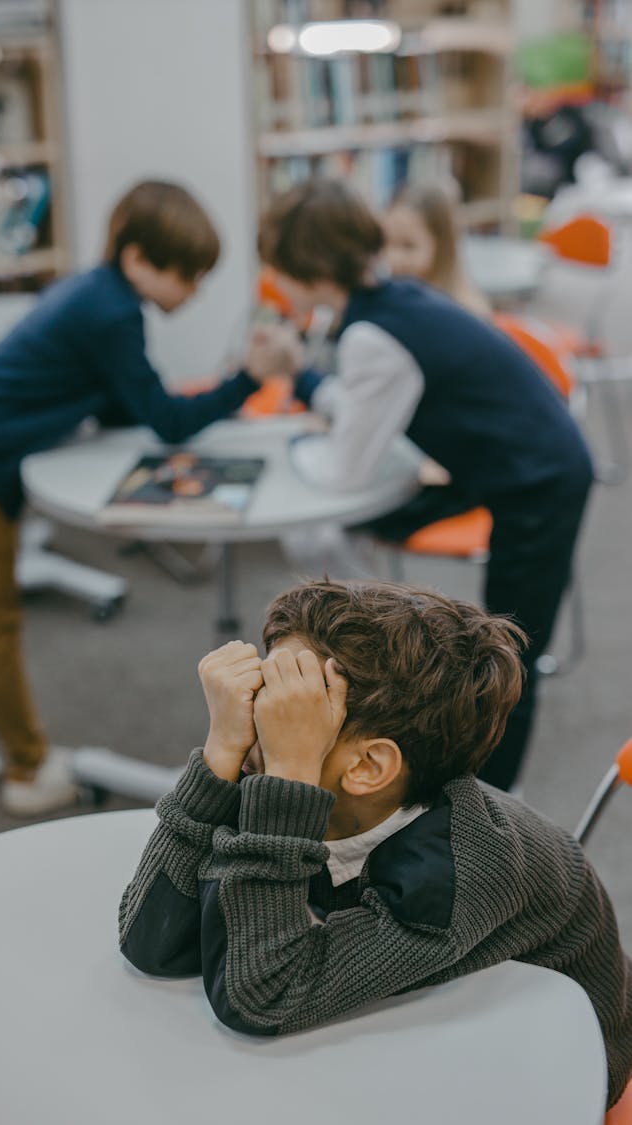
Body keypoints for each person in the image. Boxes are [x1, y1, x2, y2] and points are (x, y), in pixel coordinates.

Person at [118, 579, 632, 1110]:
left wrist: (288, 774)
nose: (257, 713)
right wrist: (222, 747)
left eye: (294, 707)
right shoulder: (295, 774)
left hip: (553, 1061)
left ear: (368, 766)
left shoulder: (454, 874)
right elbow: (152, 943)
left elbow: (261, 998)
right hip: (433, 1008)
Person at [0, 179, 288, 817]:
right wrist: (249, 378)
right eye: (187, 275)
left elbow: (120, 400)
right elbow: (161, 417)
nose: (193, 291)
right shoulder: (112, 313)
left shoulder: (99, 295)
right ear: (139, 259)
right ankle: (25, 769)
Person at [253, 177, 594, 792]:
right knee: (365, 533)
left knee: (509, 653)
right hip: (497, 461)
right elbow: (366, 412)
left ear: (302, 268)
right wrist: (305, 384)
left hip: (538, 479)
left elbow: (347, 466)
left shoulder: (370, 335)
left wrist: (302, 446)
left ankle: (491, 802)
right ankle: (383, 692)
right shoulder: (395, 303)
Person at [381, 182, 491, 317]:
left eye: (408, 246)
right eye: (386, 243)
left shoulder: (466, 311)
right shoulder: (394, 296)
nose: (394, 258)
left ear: (442, 245)